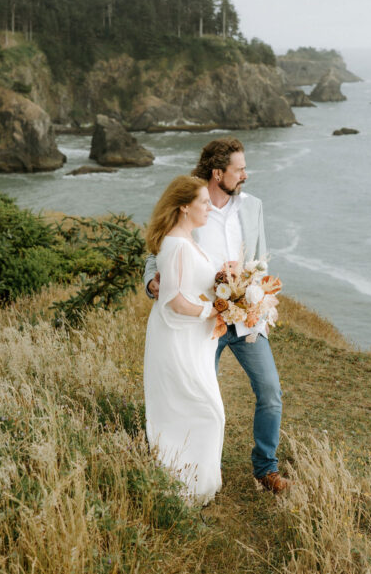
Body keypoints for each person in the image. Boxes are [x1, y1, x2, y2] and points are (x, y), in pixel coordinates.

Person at [144, 138, 289, 494]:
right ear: (218, 172)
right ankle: (194, 465)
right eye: (239, 169)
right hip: (201, 323)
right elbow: (157, 250)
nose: (245, 175)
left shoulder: (253, 207)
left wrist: (257, 294)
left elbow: (261, 258)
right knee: (196, 395)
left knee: (270, 391)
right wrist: (152, 283)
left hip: (245, 318)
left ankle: (265, 469)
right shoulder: (193, 203)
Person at [143, 174, 226, 505]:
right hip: (177, 339)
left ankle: (198, 483)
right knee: (202, 409)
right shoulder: (176, 245)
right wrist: (211, 311)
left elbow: (194, 285)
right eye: (204, 202)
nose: (209, 207)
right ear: (183, 207)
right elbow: (174, 300)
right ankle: (183, 486)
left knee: (198, 407)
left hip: (195, 342)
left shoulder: (188, 240)